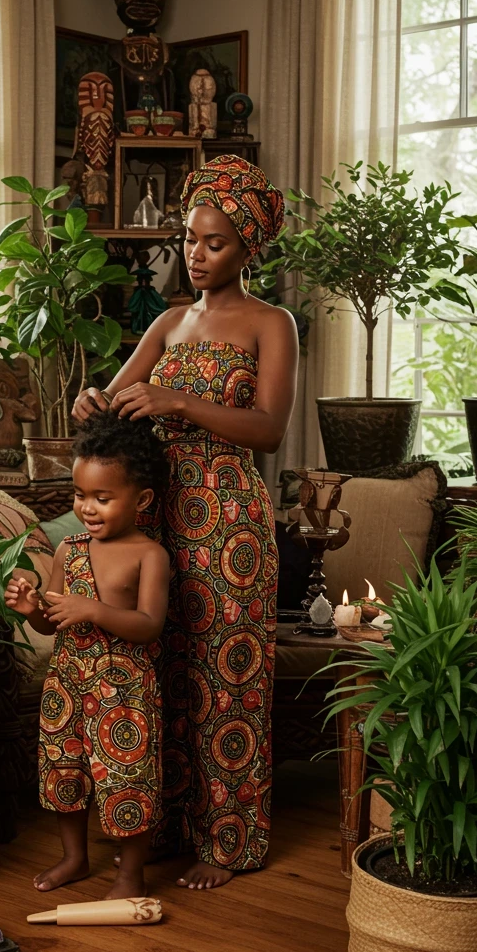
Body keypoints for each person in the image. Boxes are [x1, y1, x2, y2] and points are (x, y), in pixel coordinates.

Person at [72, 155, 299, 891]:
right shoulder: (170, 322)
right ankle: (162, 828)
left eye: (215, 243)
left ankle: (226, 841)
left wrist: (177, 405)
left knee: (225, 680)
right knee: (161, 675)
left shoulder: (272, 323)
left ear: (248, 247)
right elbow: (113, 397)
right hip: (159, 519)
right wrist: (90, 401)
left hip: (231, 525)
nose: (197, 256)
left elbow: (268, 428)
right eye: (191, 239)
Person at [6, 410, 171, 900]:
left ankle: (130, 874)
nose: (88, 508)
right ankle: (74, 857)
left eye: (103, 497)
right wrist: (31, 607)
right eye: (80, 496)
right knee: (64, 769)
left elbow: (149, 626)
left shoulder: (149, 555)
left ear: (140, 499)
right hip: (68, 683)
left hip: (124, 689)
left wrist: (93, 609)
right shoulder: (68, 551)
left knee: (127, 776)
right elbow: (52, 622)